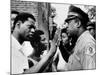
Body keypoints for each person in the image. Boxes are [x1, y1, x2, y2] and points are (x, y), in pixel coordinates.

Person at [64, 5, 96, 70]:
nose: (66, 26)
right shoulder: (80, 40)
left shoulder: (87, 43)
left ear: (78, 23)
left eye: (69, 22)